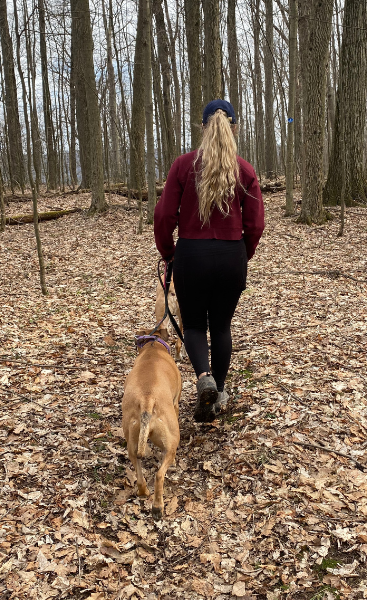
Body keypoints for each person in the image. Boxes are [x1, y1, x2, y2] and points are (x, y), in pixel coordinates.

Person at [153, 99, 264, 423]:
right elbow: (256, 224)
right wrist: (242, 254)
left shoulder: (183, 166)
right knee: (221, 326)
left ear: (203, 128)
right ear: (235, 128)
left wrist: (169, 253)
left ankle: (204, 378)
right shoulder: (244, 170)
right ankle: (219, 391)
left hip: (191, 255)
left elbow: (163, 216)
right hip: (231, 257)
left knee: (195, 325)